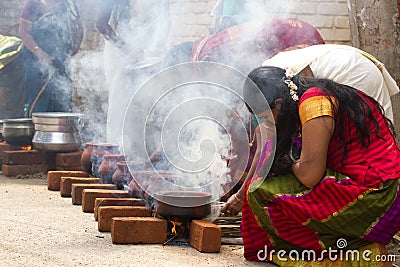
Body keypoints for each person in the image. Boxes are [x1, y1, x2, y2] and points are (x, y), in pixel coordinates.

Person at [239, 66, 400, 265]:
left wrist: (289, 162)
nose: (265, 123)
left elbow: (310, 175)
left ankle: (355, 253)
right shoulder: (302, 98)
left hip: (378, 193)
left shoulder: (314, 104)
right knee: (259, 186)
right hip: (369, 184)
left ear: (279, 104)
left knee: (260, 191)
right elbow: (269, 151)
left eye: (264, 116)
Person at [96, 0, 170, 145]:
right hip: (119, 52)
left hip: (145, 52)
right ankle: (116, 152)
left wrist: (156, 46)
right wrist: (127, 48)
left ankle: (139, 152)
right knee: (119, 105)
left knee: (142, 102)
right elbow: (101, 25)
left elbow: (165, 21)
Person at [262, 44, 399, 122]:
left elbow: (306, 84)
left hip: (351, 71)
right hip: (348, 65)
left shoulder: (271, 77)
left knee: (366, 129)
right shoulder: (265, 77)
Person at [19, 0, 83, 115]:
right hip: (37, 64)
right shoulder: (34, 3)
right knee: (40, 104)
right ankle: (37, 131)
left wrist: (72, 51)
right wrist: (41, 55)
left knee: (62, 102)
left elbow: (79, 28)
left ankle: (60, 132)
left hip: (61, 63)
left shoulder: (69, 3)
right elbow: (23, 32)